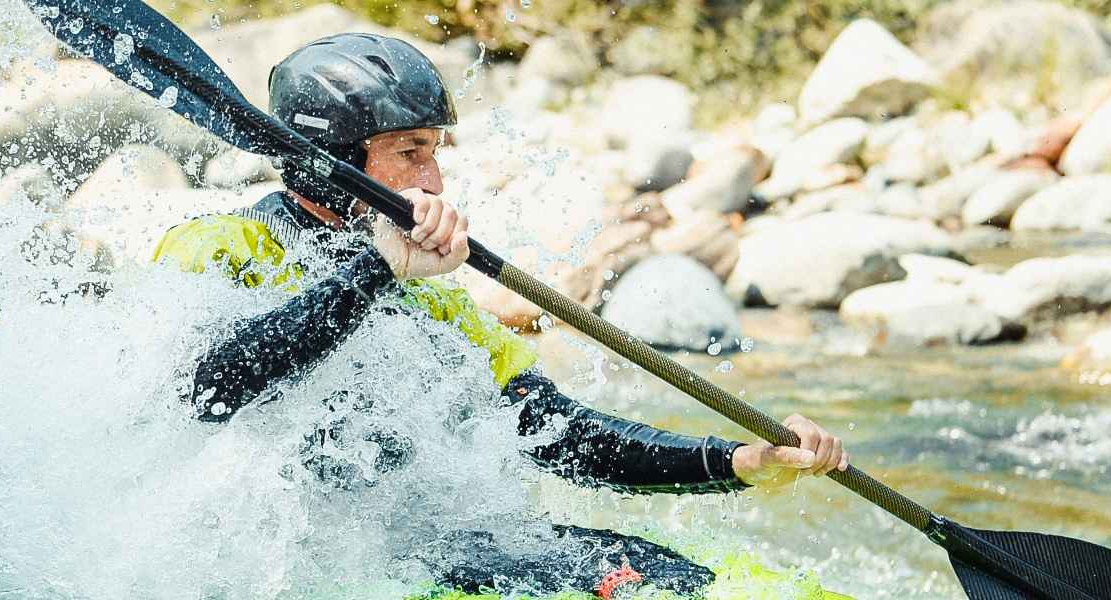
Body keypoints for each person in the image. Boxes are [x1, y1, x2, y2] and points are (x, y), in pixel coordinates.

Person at [151, 33, 849, 597]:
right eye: (409, 152)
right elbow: (207, 390)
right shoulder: (219, 249)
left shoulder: (428, 299)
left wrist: (738, 461)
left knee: (677, 580)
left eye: (434, 151)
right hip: (304, 562)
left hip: (445, 542)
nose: (434, 181)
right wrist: (374, 272)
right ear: (333, 159)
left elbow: (555, 435)